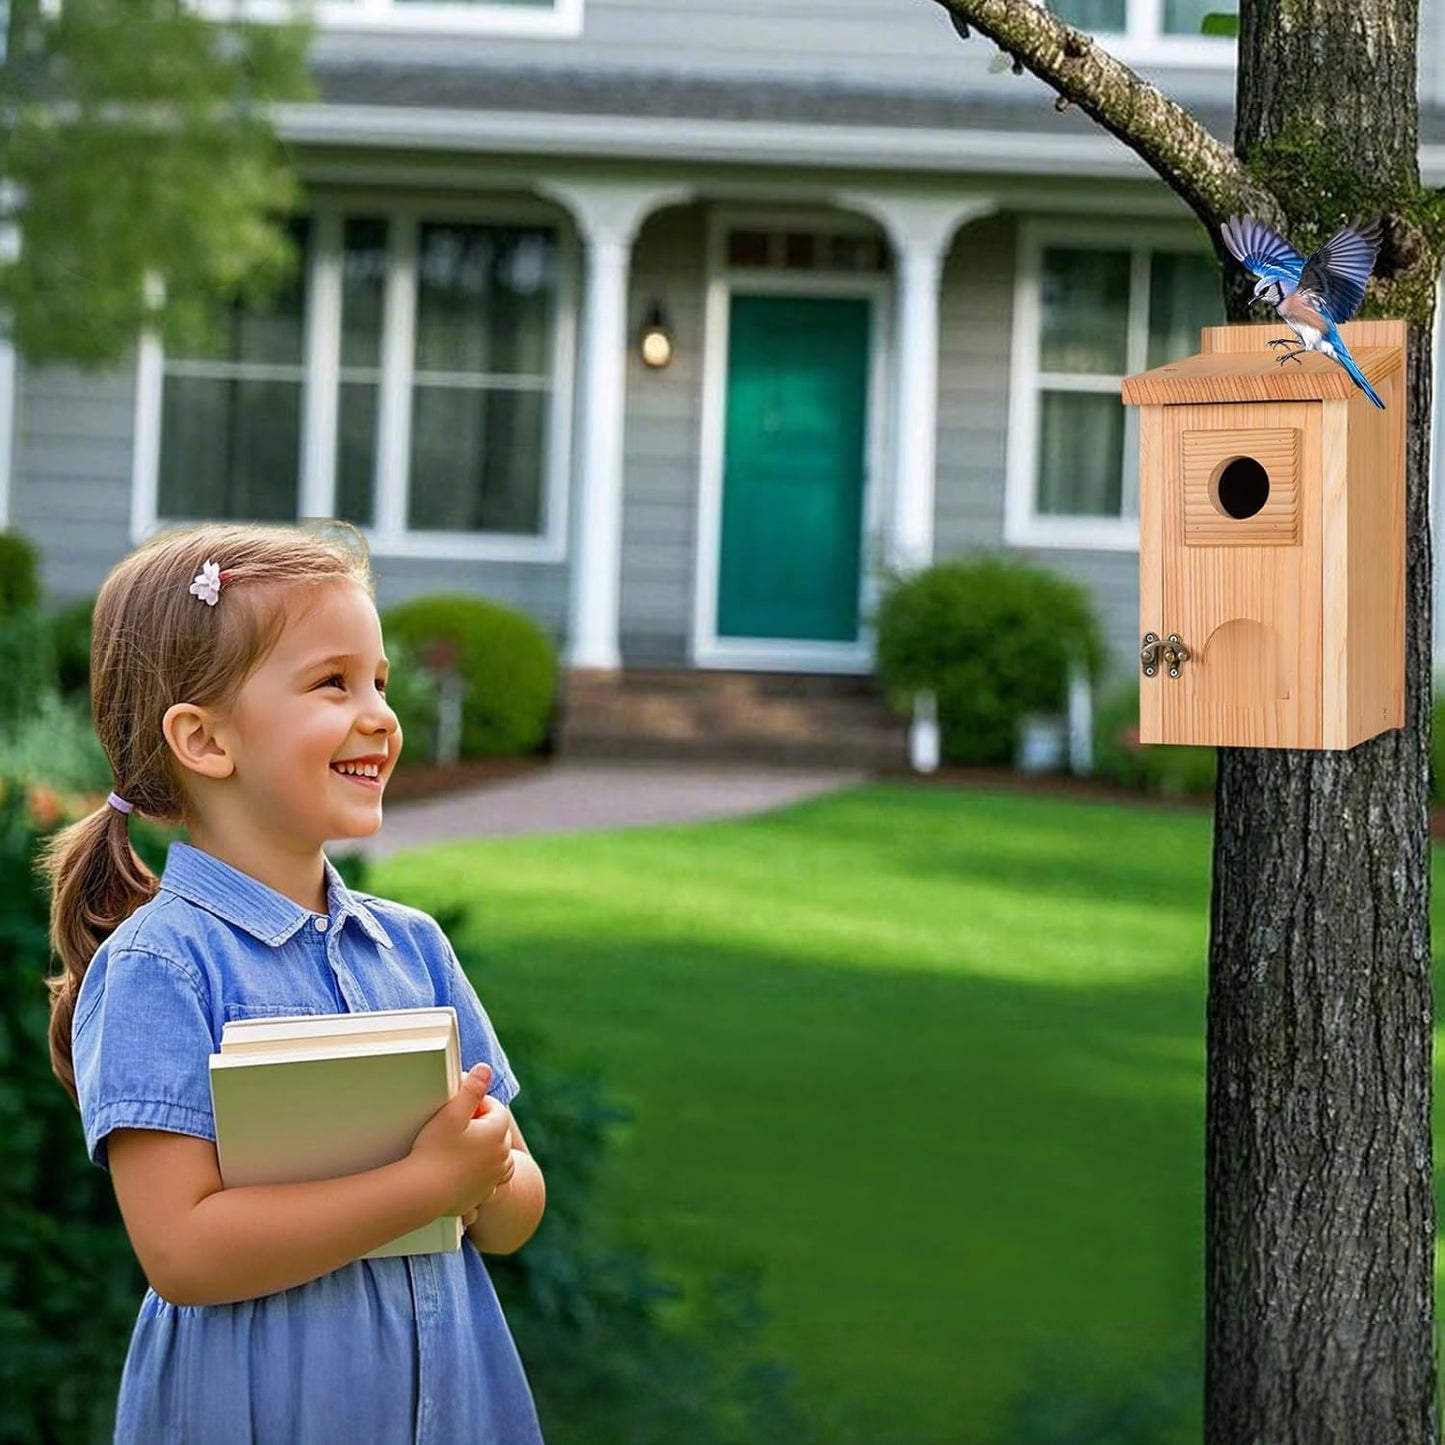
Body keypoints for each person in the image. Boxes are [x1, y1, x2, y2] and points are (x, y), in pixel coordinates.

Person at [43, 521, 547, 1444]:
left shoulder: (412, 948)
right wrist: (426, 1182)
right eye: (333, 683)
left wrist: (491, 1170)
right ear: (205, 739)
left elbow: (510, 1216)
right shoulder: (163, 966)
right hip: (258, 1410)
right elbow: (183, 1251)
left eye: (379, 681)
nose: (381, 714)